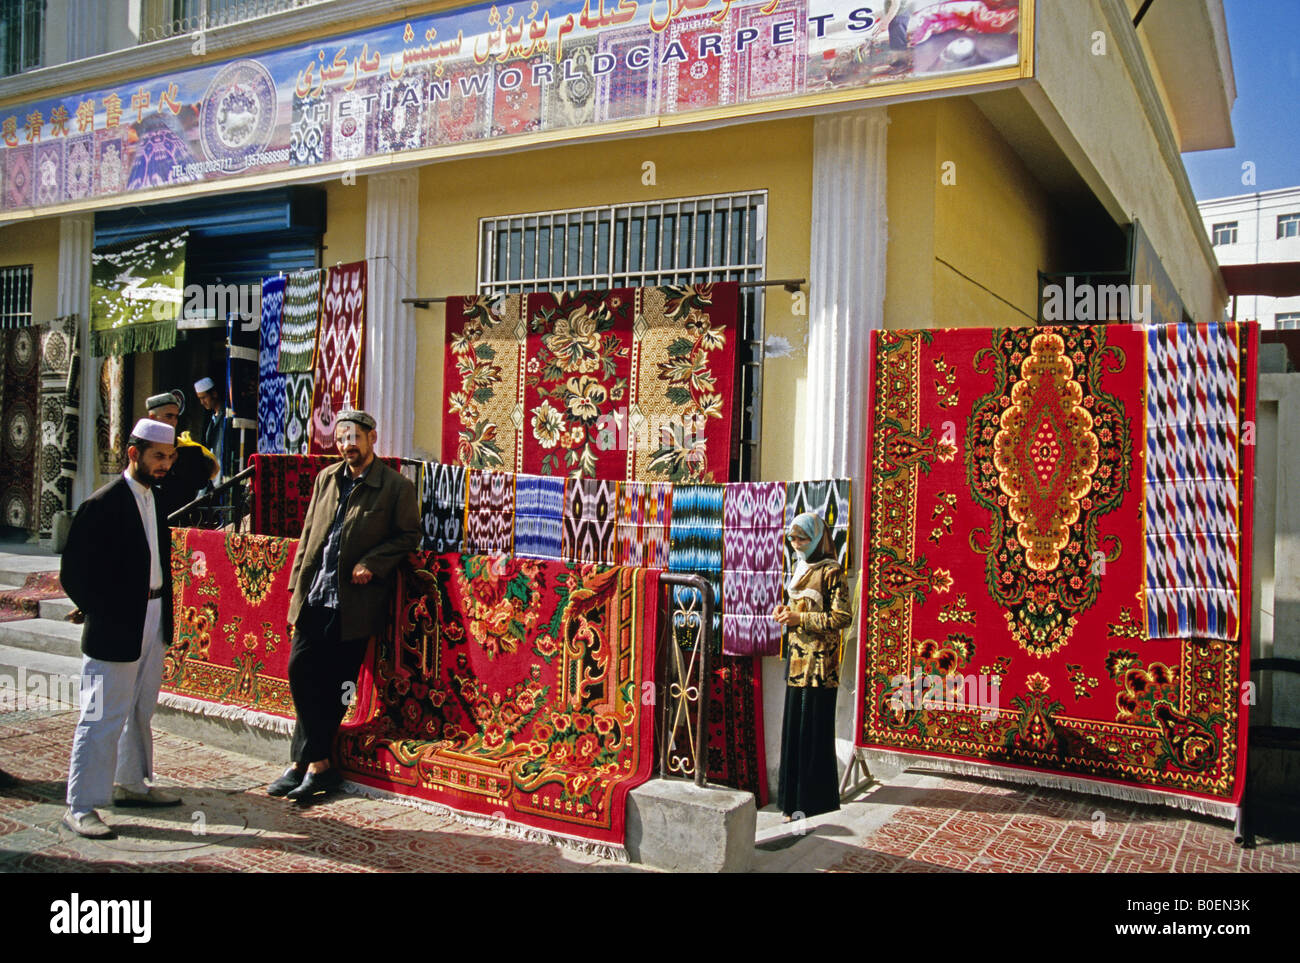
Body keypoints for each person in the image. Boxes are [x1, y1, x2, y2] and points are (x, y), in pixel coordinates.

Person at [268, 410, 420, 802]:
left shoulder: (395, 488)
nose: (347, 445)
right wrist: (294, 590)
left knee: (336, 685)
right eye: (341, 439)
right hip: (315, 594)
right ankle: (317, 762)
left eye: (354, 437)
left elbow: (408, 536)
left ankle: (301, 765)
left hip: (353, 603)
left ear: (372, 438)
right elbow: (308, 535)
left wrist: (374, 562)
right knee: (300, 670)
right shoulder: (327, 478)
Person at [61, 418, 183, 839]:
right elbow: (74, 570)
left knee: (139, 709)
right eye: (158, 457)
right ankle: (81, 804)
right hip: (116, 623)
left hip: (152, 617)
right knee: (100, 715)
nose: (165, 465)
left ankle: (132, 784)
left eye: (169, 457)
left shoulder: (155, 498)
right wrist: (96, 609)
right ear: (134, 454)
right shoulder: (104, 502)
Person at [771, 512, 852, 822]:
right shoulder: (800, 567)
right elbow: (798, 607)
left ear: (817, 538)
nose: (796, 545)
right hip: (797, 661)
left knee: (811, 733)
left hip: (820, 666)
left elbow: (841, 618)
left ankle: (813, 803)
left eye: (802, 539)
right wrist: (785, 611)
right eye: (792, 539)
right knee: (795, 733)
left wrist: (799, 619)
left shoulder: (831, 572)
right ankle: (791, 803)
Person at [146, 389, 219, 514]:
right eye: (169, 416)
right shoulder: (142, 449)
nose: (173, 422)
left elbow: (201, 482)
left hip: (182, 521)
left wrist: (179, 463)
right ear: (153, 418)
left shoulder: (189, 449)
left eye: (176, 417)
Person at [194, 376, 227, 482]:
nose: (202, 402)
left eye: (204, 398)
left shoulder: (226, 417)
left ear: (214, 394)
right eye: (200, 399)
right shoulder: (211, 419)